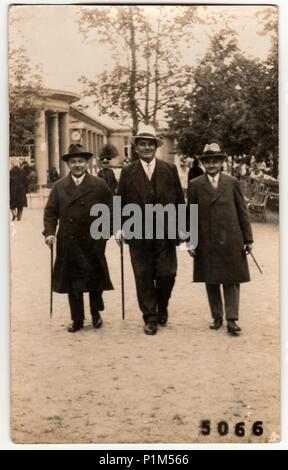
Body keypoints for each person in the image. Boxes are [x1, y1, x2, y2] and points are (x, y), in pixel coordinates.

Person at [116, 124, 185, 335]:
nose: (146, 148)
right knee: (143, 275)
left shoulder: (169, 170)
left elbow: (179, 202)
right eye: (142, 144)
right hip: (137, 232)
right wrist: (118, 228)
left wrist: (183, 228)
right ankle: (150, 316)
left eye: (150, 144)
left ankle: (162, 305)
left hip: (165, 232)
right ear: (136, 148)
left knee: (167, 273)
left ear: (156, 147)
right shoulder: (128, 172)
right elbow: (119, 201)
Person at [43, 143, 113, 333]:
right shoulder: (59, 187)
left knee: (94, 280)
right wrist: (49, 233)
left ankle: (96, 313)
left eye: (81, 161)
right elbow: (50, 212)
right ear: (68, 165)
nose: (77, 165)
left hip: (93, 240)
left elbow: (111, 209)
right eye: (73, 162)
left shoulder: (99, 185)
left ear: (87, 162)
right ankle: (77, 319)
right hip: (69, 241)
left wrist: (106, 234)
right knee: (73, 282)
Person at [187, 143, 253, 336]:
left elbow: (242, 212)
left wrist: (248, 239)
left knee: (232, 279)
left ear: (222, 162)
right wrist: (190, 242)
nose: (212, 164)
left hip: (231, 239)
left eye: (215, 160)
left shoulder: (232, 182)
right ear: (203, 163)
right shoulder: (196, 185)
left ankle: (232, 319)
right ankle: (217, 316)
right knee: (211, 278)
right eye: (208, 161)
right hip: (206, 239)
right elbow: (189, 214)